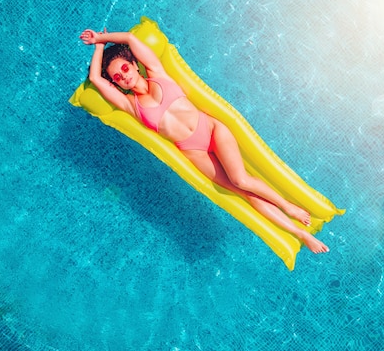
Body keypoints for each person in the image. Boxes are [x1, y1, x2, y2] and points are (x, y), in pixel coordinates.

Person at [80, 28, 329, 253]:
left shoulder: (158, 73)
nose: (123, 77)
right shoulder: (130, 106)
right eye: (117, 77)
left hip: (211, 130)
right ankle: (300, 234)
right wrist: (99, 51)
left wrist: (100, 39)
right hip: (194, 151)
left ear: (134, 65)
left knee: (240, 179)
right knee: (246, 195)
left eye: (124, 68)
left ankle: (288, 207)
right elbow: (96, 80)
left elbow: (131, 39)